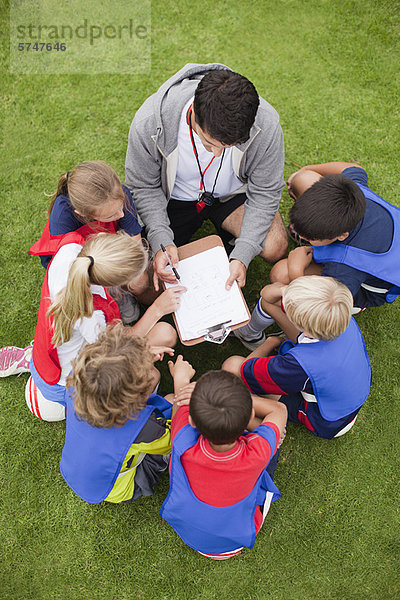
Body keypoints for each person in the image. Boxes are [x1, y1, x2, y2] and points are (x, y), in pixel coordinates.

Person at [125, 63, 288, 292]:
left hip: (232, 195)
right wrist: (162, 239)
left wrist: (242, 254)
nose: (218, 153)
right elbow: (144, 187)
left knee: (274, 245)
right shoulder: (150, 122)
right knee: (145, 286)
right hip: (174, 200)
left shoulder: (265, 123)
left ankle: (232, 243)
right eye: (209, 143)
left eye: (229, 146)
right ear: (193, 113)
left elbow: (265, 192)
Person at [0, 232, 183, 420]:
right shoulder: (91, 315)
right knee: (151, 376)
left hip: (55, 347)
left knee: (165, 333)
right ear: (115, 284)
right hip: (71, 382)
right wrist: (157, 309)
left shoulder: (72, 249)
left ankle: (30, 357)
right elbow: (114, 350)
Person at [160, 369, 287, 559]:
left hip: (190, 535)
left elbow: (180, 401)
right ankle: (258, 428)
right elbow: (279, 410)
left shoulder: (182, 440)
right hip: (235, 542)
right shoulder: (258, 452)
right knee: (274, 445)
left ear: (192, 421)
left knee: (171, 400)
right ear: (251, 414)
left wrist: (181, 379)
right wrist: (236, 401)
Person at [224, 276, 371, 439]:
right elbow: (267, 296)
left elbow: (247, 371)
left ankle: (267, 430)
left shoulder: (299, 365)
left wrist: (270, 343)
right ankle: (248, 334)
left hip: (328, 419)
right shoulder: (340, 317)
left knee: (232, 366)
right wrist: (283, 290)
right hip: (346, 395)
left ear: (306, 332)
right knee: (270, 303)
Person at [60, 324, 193, 504]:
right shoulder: (143, 429)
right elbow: (178, 438)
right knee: (173, 401)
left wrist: (140, 356)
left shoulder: (79, 379)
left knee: (154, 376)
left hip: (76, 471)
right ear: (130, 399)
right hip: (118, 487)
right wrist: (181, 382)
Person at [29, 161, 148, 323]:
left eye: (121, 207)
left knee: (139, 282)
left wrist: (133, 273)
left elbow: (135, 241)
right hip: (83, 262)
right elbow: (77, 271)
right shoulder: (62, 225)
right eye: (110, 215)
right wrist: (112, 283)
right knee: (123, 313)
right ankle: (113, 296)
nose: (121, 215)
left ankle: (121, 292)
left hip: (104, 247)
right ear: (83, 214)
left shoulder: (117, 194)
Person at [270, 161, 400, 309]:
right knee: (303, 178)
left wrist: (296, 272)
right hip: (381, 238)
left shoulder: (344, 272)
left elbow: (329, 305)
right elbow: (355, 169)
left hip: (362, 288)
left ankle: (359, 307)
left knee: (280, 273)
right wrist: (307, 168)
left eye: (310, 237)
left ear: (341, 236)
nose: (300, 235)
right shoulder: (353, 192)